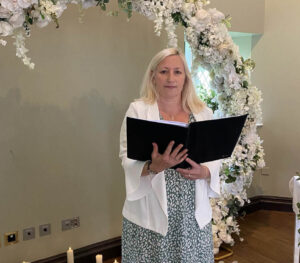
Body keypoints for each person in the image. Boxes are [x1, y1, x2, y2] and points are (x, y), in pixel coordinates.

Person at [119, 48, 221, 263]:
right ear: (153, 76)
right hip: (149, 215)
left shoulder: (203, 112)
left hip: (192, 214)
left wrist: (204, 171)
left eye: (177, 72)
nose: (171, 78)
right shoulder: (138, 110)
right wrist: (153, 166)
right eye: (164, 71)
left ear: (186, 78)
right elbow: (126, 157)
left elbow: (214, 156)